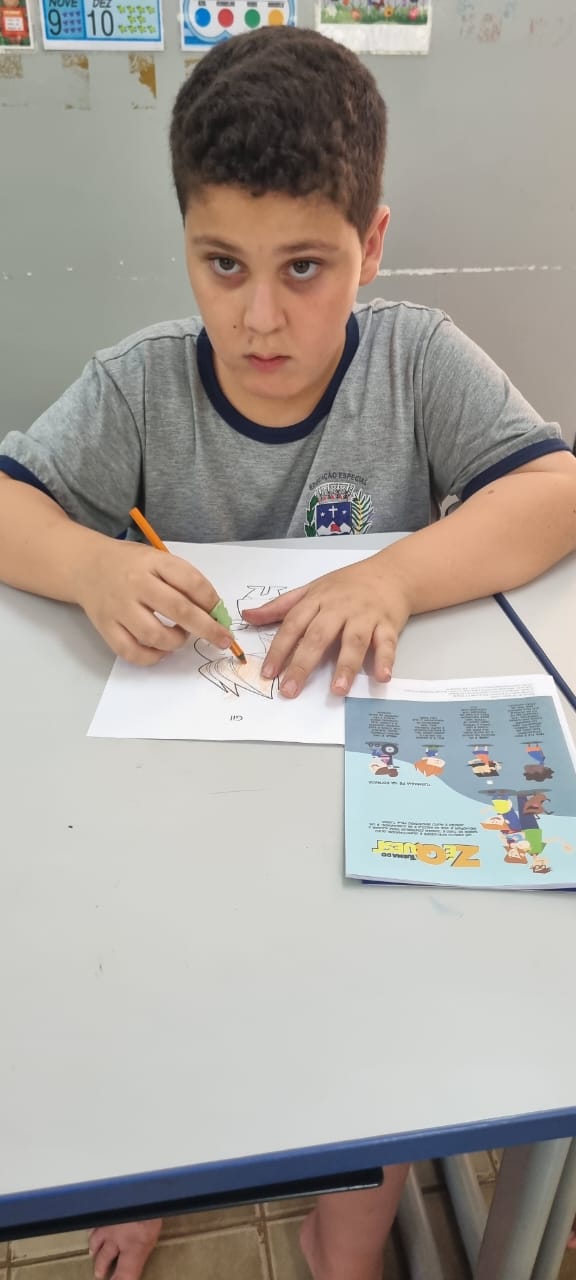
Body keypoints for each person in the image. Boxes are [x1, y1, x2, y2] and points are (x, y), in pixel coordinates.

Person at [1, 24, 576, 1280]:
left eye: (306, 267)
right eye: (223, 264)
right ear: (186, 244)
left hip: (353, 809)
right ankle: (152, 1170)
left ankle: (345, 1229)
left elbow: (556, 488)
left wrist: (395, 573)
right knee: (147, 985)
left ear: (373, 242)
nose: (259, 318)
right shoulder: (141, 386)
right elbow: (8, 503)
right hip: (181, 806)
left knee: (377, 1042)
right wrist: (91, 562)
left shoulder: (415, 359)